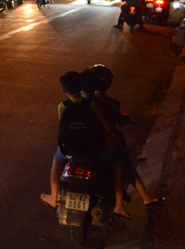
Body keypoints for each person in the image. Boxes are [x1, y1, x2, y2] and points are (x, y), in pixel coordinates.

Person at [41, 71, 129, 218]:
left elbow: (62, 129)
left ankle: (53, 196)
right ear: (81, 87)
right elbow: (105, 126)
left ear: (63, 90)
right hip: (93, 148)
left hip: (70, 149)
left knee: (56, 162)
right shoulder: (91, 104)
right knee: (118, 164)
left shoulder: (62, 106)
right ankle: (119, 205)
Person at [85, 65, 160, 207]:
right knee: (124, 164)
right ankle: (144, 197)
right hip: (106, 140)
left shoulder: (82, 101)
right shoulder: (110, 104)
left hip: (86, 140)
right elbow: (111, 124)